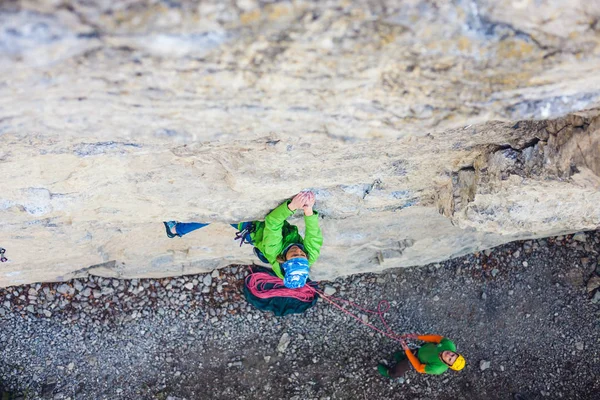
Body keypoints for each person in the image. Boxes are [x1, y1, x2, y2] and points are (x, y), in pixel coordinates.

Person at [163, 191, 323, 288]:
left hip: (253, 229)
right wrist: (308, 210)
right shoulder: (310, 256)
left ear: (284, 261)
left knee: (220, 214)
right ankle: (178, 229)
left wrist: (292, 206)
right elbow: (313, 234)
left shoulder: (273, 251)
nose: (298, 251)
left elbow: (273, 223)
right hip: (274, 230)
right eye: (302, 255)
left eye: (294, 255)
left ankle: (175, 229)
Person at [378, 334, 465, 378]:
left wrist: (407, 351)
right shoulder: (449, 345)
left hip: (416, 361)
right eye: (453, 354)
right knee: (406, 354)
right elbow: (435, 338)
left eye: (450, 359)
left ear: (448, 364)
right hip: (421, 349)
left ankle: (389, 373)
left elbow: (419, 368)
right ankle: (403, 358)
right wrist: (418, 337)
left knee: (398, 370)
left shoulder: (437, 368)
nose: (449, 354)